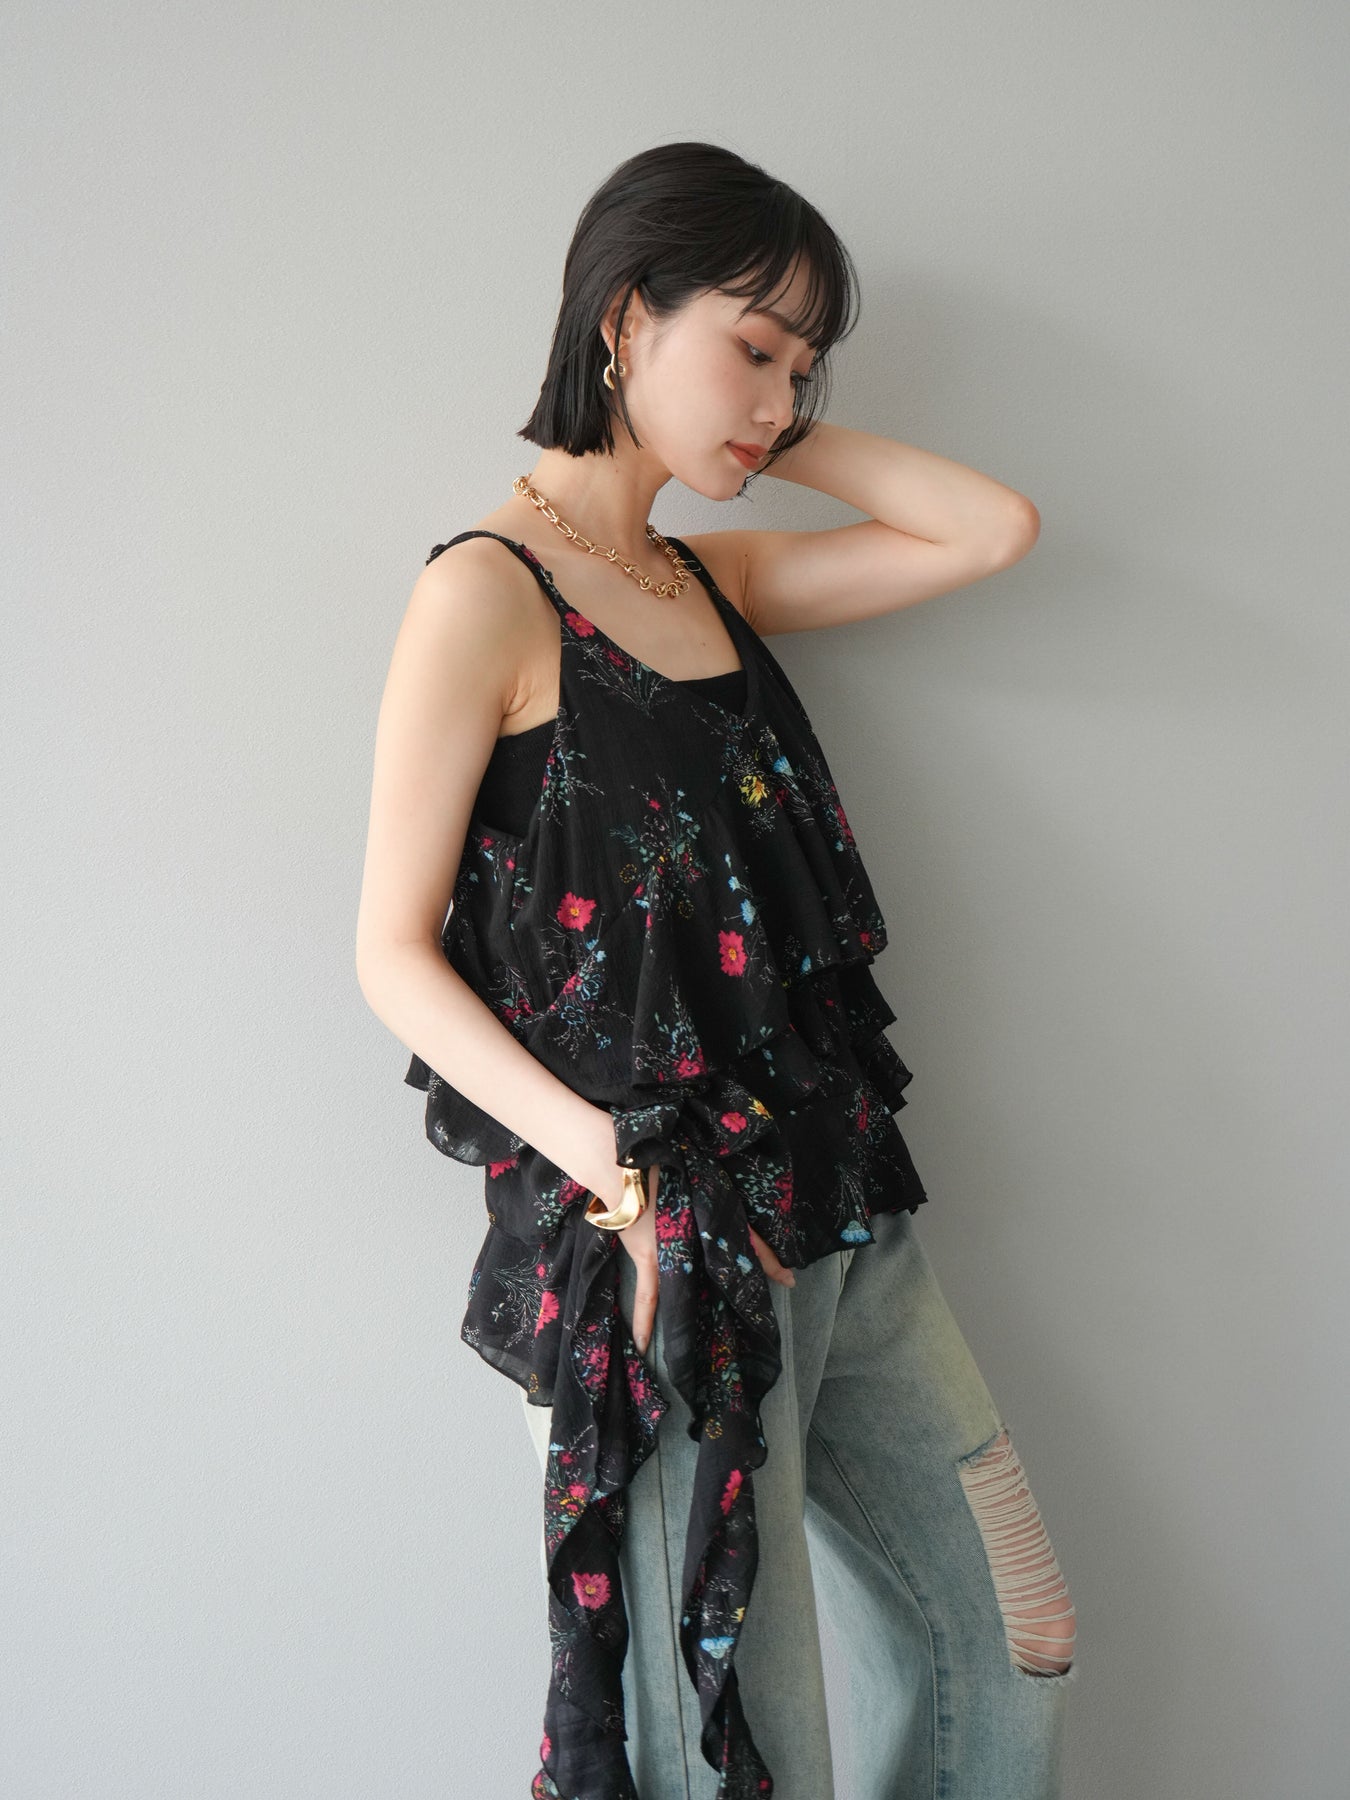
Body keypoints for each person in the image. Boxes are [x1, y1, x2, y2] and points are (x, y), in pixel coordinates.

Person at [355, 141, 1078, 1800]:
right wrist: (617, 1181)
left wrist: (752, 417)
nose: (780, 396)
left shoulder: (705, 577)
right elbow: (389, 954)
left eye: (805, 366)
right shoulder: (486, 593)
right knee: (740, 1746)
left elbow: (988, 529)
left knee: (1012, 1626)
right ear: (624, 316)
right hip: (666, 1250)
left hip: (840, 1202)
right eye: (753, 346)